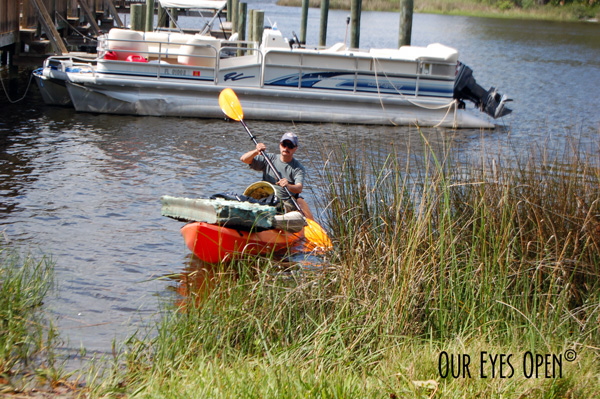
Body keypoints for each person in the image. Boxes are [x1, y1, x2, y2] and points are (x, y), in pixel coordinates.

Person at [240, 132, 314, 219]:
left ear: (295, 149)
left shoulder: (298, 168)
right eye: (284, 144)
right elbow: (244, 159)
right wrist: (256, 151)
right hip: (265, 197)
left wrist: (288, 186)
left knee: (278, 206)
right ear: (280, 145)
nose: (286, 148)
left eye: (290, 146)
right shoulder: (269, 158)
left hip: (284, 201)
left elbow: (299, 188)